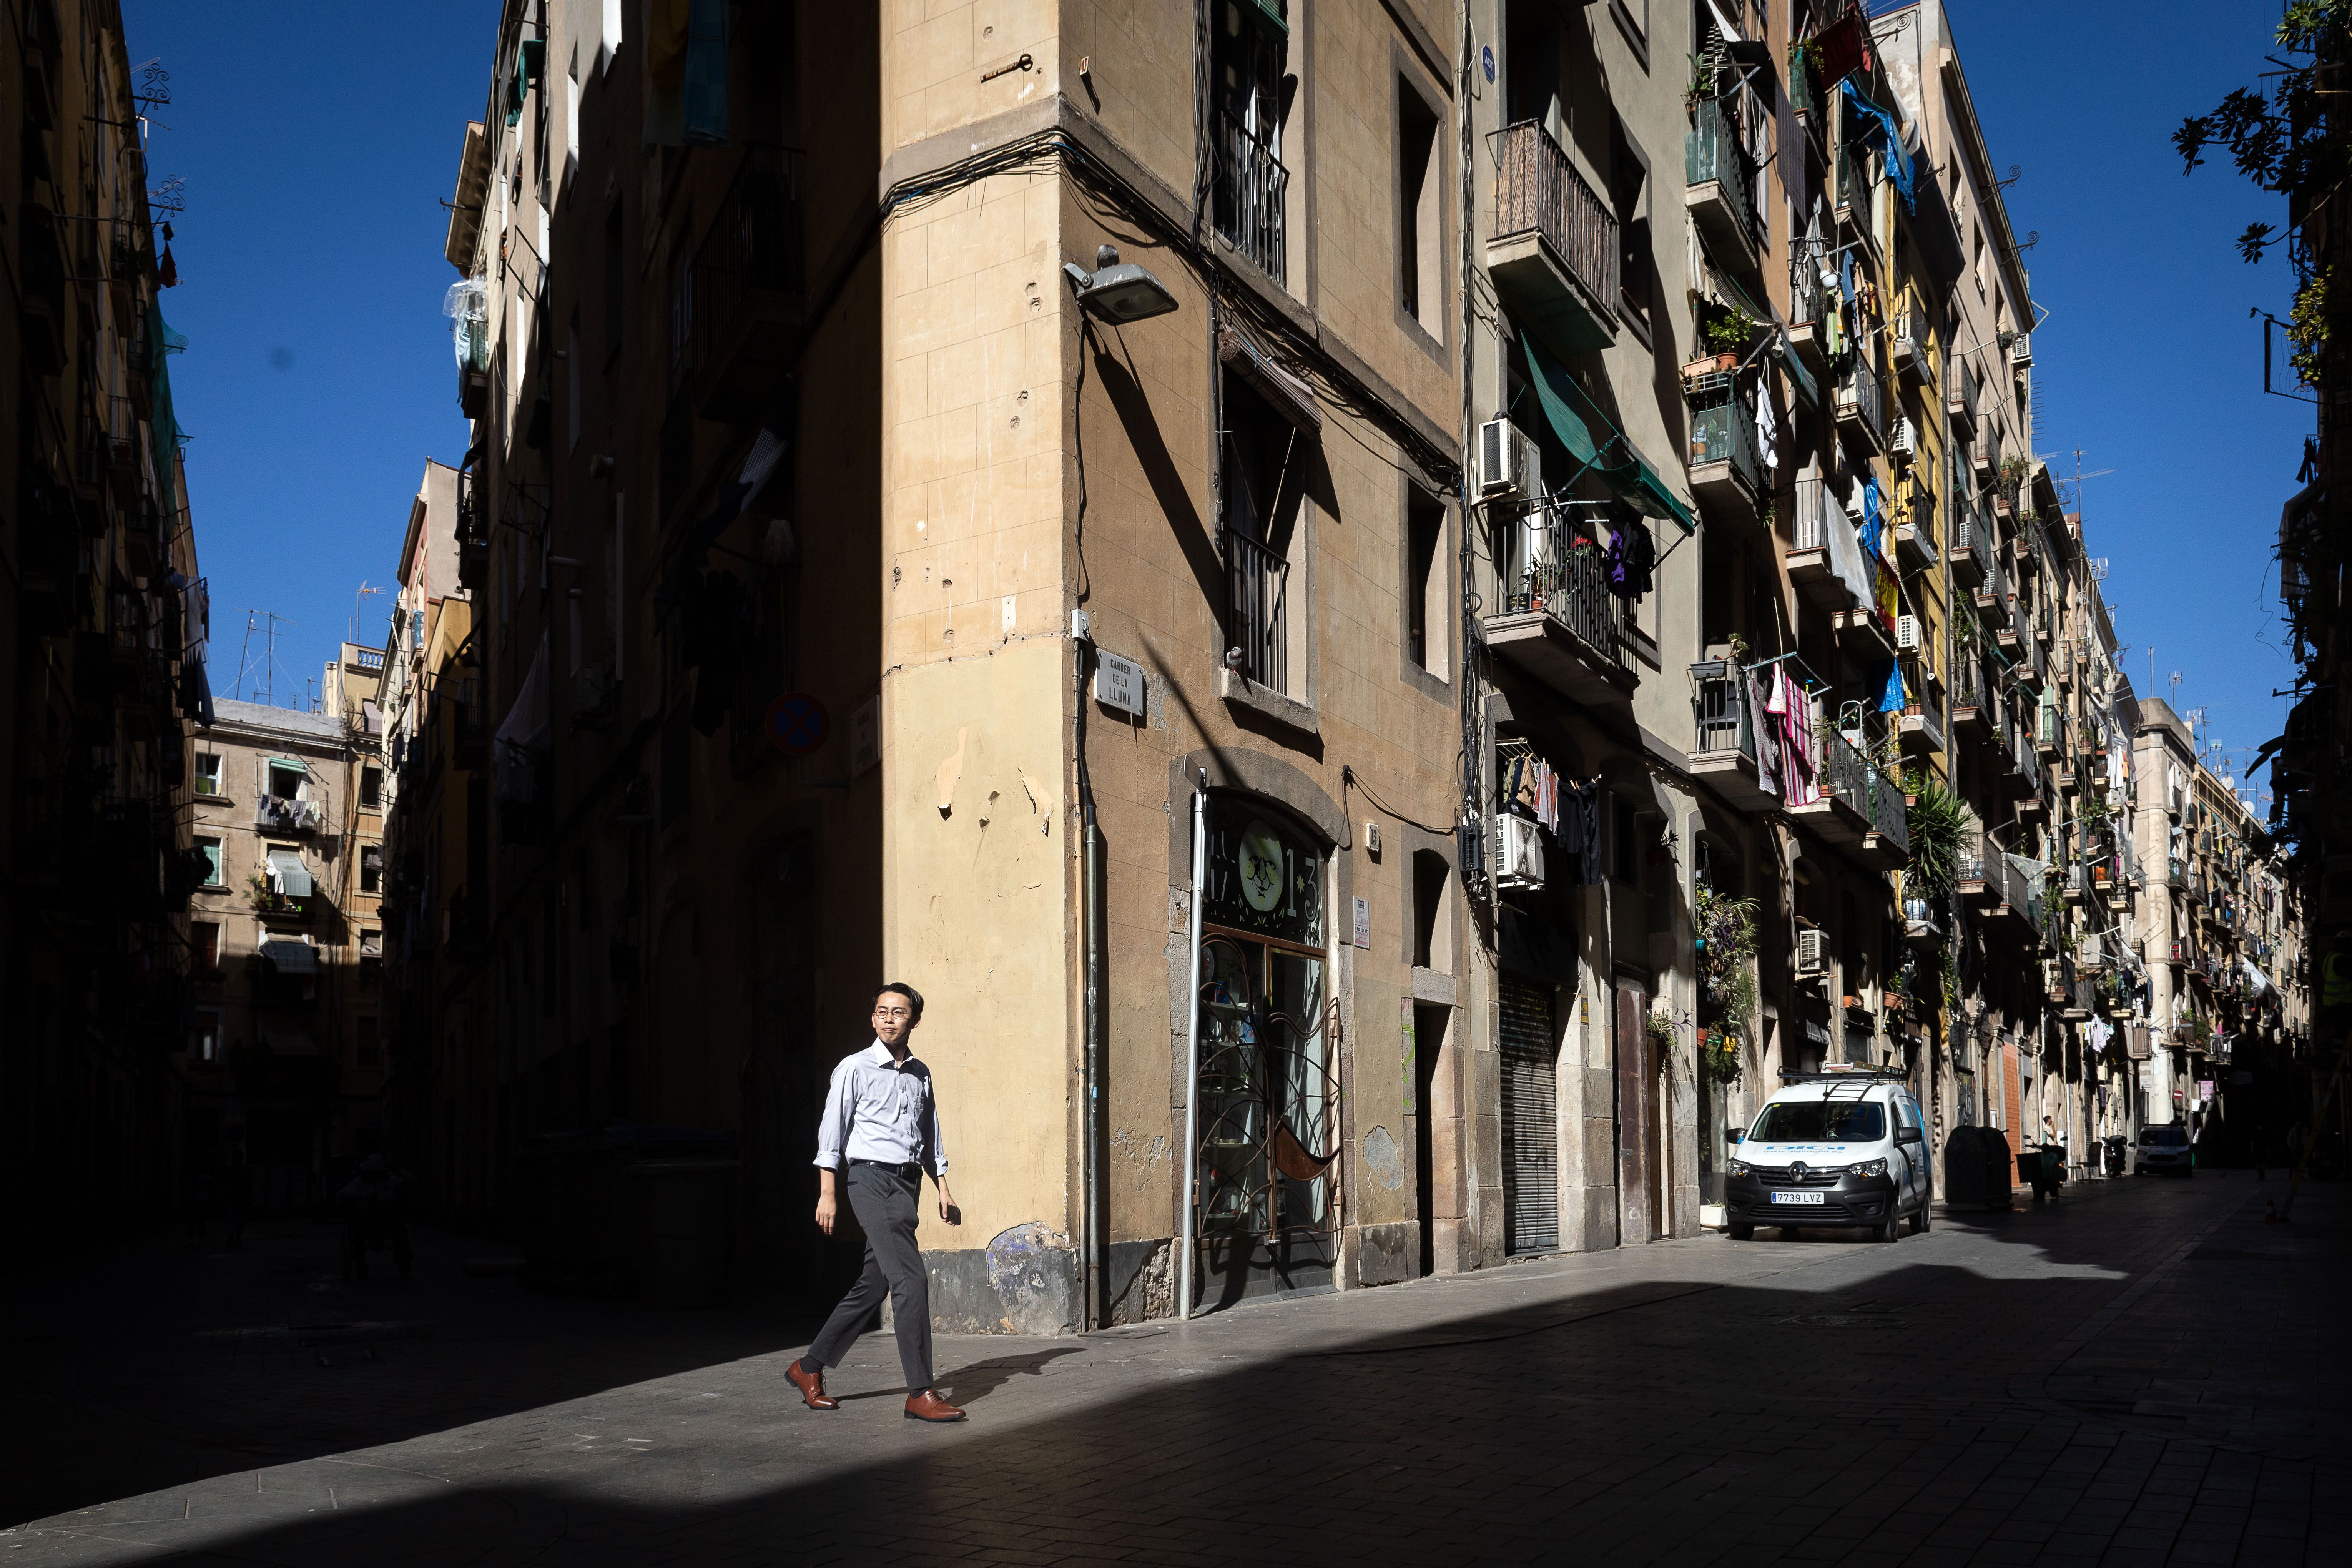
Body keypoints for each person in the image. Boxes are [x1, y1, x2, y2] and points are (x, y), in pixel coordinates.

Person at [787, 983, 966, 1423]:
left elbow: (929, 1133)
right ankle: (920, 1391)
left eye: (898, 1012)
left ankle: (808, 1367)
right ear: (872, 1019)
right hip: (868, 1179)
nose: (888, 1019)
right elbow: (831, 1132)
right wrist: (827, 1192)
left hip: (907, 1185)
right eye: (882, 1011)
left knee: (874, 1283)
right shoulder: (854, 1067)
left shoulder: (921, 1072)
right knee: (910, 1280)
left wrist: (942, 1185)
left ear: (914, 1021)